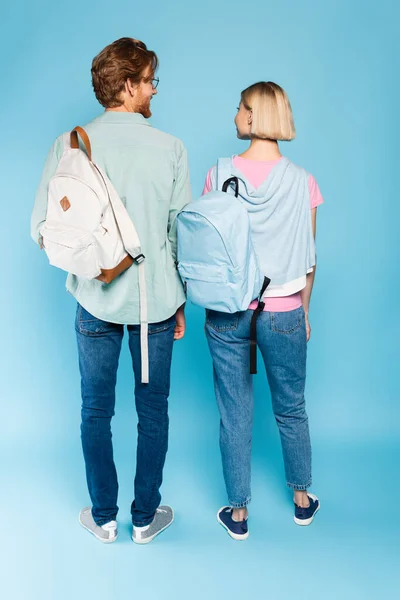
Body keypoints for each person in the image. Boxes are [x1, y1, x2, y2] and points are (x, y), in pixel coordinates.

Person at [31, 37, 190, 544]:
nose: (153, 91)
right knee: (153, 410)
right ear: (128, 85)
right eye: (149, 81)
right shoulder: (171, 148)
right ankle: (145, 519)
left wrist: (85, 266)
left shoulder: (71, 143)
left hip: (94, 299)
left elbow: (43, 228)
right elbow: (178, 236)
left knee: (95, 410)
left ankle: (104, 518)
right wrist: (180, 296)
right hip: (156, 302)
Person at [203, 81, 323, 540]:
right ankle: (301, 500)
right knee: (291, 408)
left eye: (239, 107)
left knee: (235, 413)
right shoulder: (303, 181)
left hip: (230, 311)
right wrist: (304, 310)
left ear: (253, 116)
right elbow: (310, 258)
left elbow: (211, 250)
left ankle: (237, 513)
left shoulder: (217, 174)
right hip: (285, 309)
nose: (234, 114)